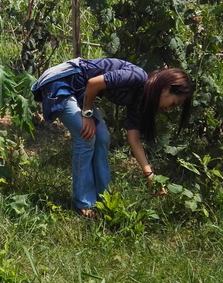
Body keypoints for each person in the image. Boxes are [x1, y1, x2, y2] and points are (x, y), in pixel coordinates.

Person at [31, 58, 192, 218]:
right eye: (174, 104)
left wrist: (150, 176)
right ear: (166, 88)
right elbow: (94, 83)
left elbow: (133, 138)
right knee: (85, 136)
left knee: (102, 138)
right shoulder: (138, 76)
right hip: (62, 81)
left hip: (81, 90)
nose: (170, 109)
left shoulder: (140, 97)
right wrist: (87, 114)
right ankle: (83, 204)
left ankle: (105, 199)